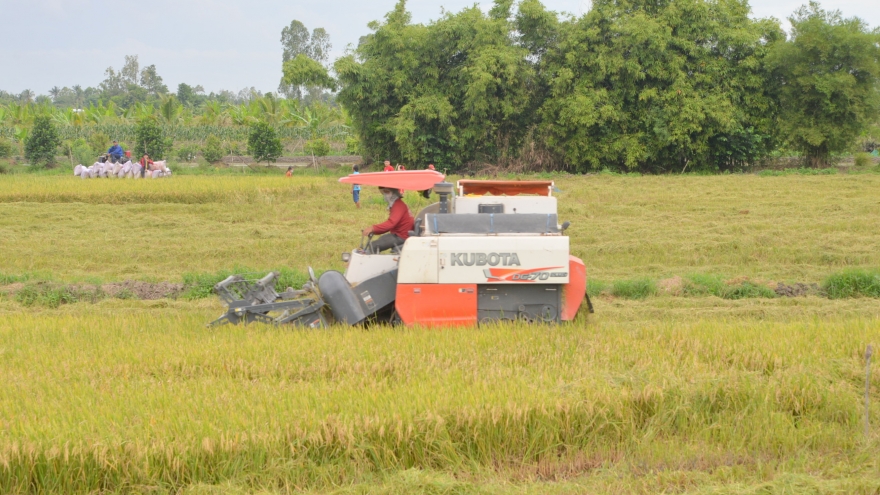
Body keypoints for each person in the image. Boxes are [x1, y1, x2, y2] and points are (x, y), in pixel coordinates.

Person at [362, 187, 414, 253]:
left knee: (374, 245)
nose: (384, 195)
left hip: (401, 236)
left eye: (386, 192)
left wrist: (373, 228)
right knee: (381, 240)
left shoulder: (398, 206)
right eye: (383, 193)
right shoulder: (398, 204)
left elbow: (391, 224)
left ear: (394, 193)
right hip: (399, 234)